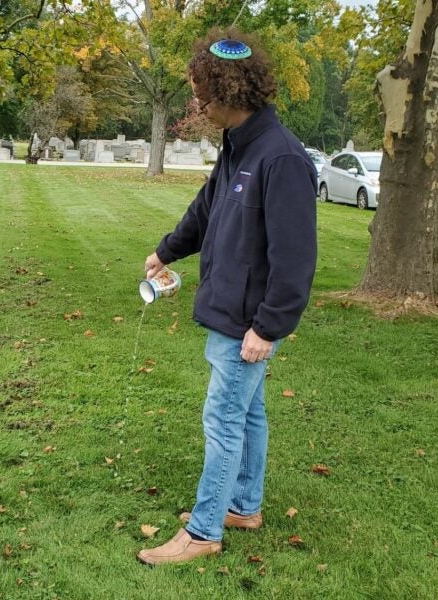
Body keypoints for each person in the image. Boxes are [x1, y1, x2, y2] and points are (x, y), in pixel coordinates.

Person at [137, 29, 318, 566]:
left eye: (201, 93)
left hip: (248, 324)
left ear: (229, 92)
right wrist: (167, 251)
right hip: (230, 312)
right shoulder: (238, 149)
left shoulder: (281, 158)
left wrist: (269, 327)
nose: (197, 104)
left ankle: (204, 530)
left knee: (223, 419)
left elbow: (295, 258)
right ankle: (243, 505)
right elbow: (205, 210)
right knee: (250, 413)